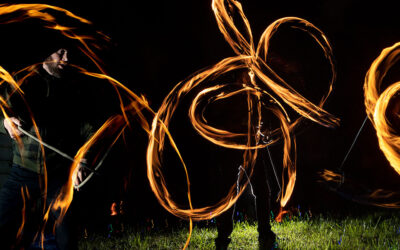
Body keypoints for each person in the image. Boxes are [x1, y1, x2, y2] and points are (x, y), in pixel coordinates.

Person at [0, 46, 96, 249]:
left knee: (67, 233)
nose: (67, 58)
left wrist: (83, 160)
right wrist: (5, 122)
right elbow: (2, 112)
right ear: (45, 51)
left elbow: (89, 130)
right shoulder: (22, 81)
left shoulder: (74, 88)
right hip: (23, 172)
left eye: (69, 53)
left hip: (58, 174)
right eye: (61, 52)